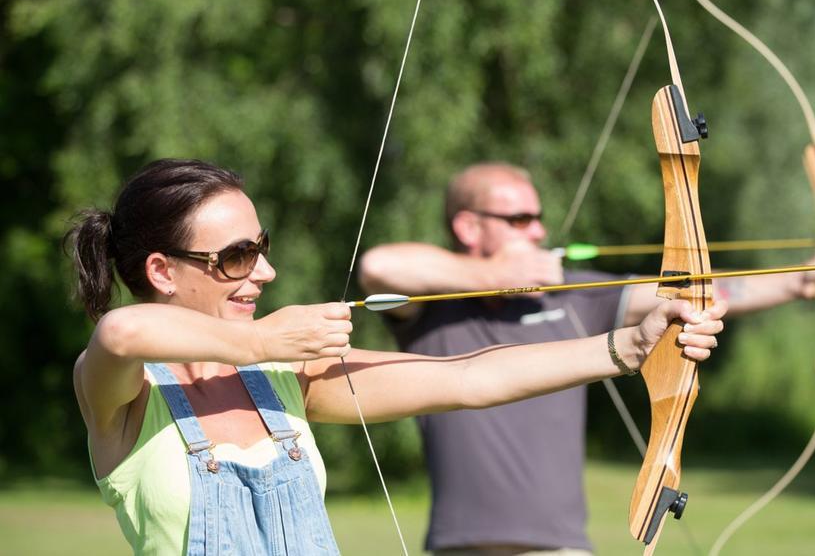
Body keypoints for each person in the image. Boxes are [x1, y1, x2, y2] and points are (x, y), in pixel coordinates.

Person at [65, 158, 727, 555]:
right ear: (161, 269)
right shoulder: (125, 395)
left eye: (261, 247)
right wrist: (262, 342)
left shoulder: (283, 380)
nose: (265, 271)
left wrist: (628, 347)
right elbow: (121, 335)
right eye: (237, 256)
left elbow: (469, 377)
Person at [358, 162, 815, 556]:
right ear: (468, 226)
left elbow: (692, 292)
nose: (537, 231)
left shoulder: (570, 294)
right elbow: (380, 266)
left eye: (537, 218)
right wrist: (494, 276)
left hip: (559, 547)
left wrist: (802, 281)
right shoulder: (432, 312)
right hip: (456, 546)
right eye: (519, 219)